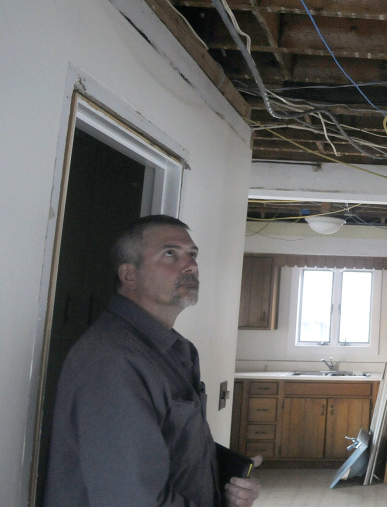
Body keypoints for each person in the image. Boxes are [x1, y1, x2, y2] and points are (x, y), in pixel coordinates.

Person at [45, 215, 262, 507]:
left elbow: (172, 446)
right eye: (170, 253)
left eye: (192, 254)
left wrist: (225, 482)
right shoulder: (113, 361)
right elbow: (131, 498)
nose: (190, 265)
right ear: (129, 275)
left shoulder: (176, 350)